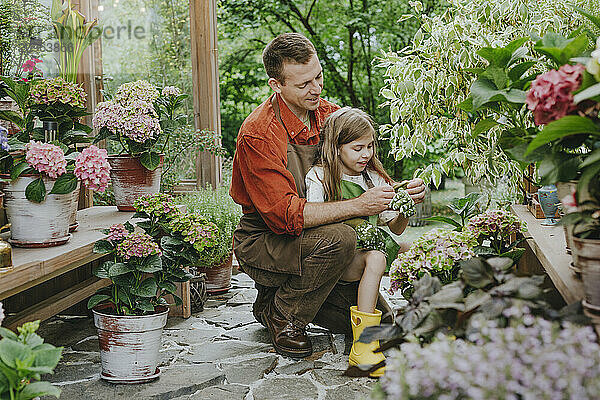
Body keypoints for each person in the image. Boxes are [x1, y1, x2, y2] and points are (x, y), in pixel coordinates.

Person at [229, 32, 426, 360]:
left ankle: (272, 298)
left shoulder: (329, 116)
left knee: (379, 322)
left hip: (321, 239)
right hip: (265, 240)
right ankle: (285, 315)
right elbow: (285, 217)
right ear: (276, 85)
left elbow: (365, 167)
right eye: (304, 84)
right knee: (342, 238)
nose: (316, 89)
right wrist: (360, 205)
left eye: (318, 77)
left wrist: (401, 193)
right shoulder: (259, 134)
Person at [305, 107, 410, 376]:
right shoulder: (320, 177)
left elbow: (395, 228)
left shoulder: (373, 178)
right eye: (358, 147)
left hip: (370, 251)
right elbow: (315, 224)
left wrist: (405, 204)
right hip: (338, 259)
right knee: (376, 257)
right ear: (336, 147)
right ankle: (363, 346)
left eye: (371, 146)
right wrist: (359, 206)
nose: (367, 154)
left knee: (421, 251)